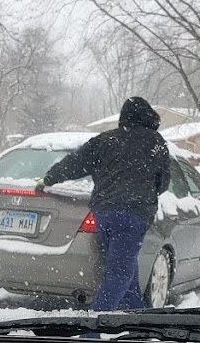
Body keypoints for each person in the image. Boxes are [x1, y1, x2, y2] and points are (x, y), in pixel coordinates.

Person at [38, 96, 171, 311]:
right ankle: (93, 328)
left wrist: (48, 179)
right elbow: (163, 182)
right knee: (119, 272)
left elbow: (74, 164)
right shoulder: (155, 142)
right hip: (134, 214)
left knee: (125, 267)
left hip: (104, 213)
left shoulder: (104, 140)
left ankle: (136, 317)